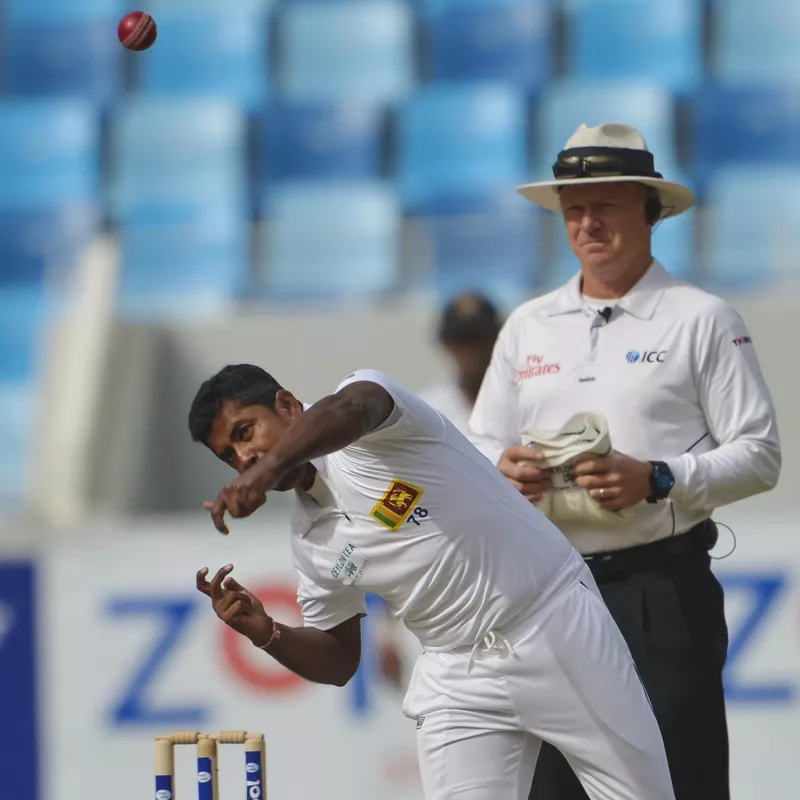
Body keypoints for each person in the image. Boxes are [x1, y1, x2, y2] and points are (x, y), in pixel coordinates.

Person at [188, 364, 676, 800]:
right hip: (455, 676)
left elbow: (355, 407)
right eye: (230, 455)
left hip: (551, 622)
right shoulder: (311, 540)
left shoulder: (366, 417)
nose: (245, 456)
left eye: (246, 431)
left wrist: (267, 467)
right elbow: (339, 660)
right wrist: (266, 632)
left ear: (288, 405)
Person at [469, 122, 782, 800]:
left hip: (659, 587)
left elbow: (760, 455)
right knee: (555, 787)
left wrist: (661, 477)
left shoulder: (699, 317)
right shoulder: (529, 323)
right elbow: (480, 442)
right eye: (574, 209)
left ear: (649, 210)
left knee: (679, 778)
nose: (587, 223)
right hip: (549, 591)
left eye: (605, 205)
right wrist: (504, 468)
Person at [418, 292, 502, 436]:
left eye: (478, 339)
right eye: (461, 340)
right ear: (447, 344)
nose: (470, 350)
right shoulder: (428, 411)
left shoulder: (520, 403)